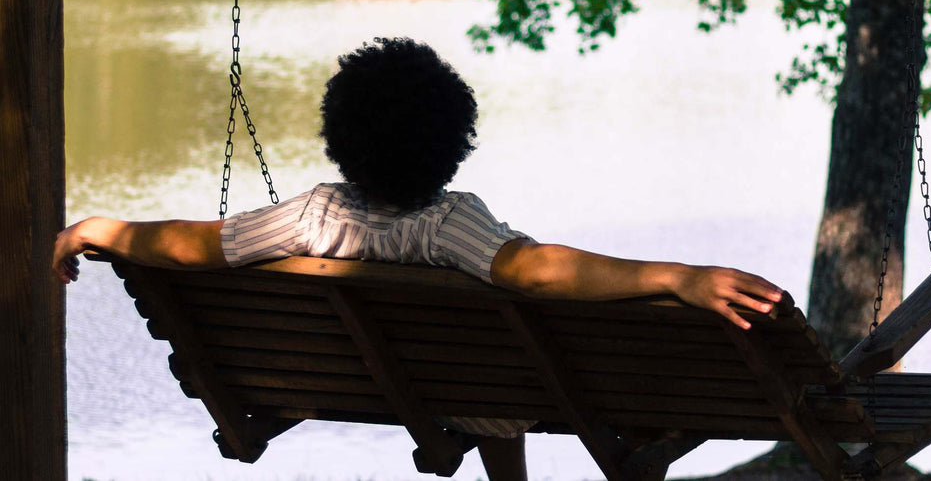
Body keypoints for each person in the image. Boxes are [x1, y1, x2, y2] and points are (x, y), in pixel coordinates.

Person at [53, 37, 785, 480]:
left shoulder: (312, 216)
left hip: (401, 384)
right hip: (477, 386)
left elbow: (189, 243)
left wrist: (105, 226)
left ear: (341, 137)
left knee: (472, 357)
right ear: (451, 140)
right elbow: (536, 270)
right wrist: (675, 276)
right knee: (500, 358)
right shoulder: (452, 227)